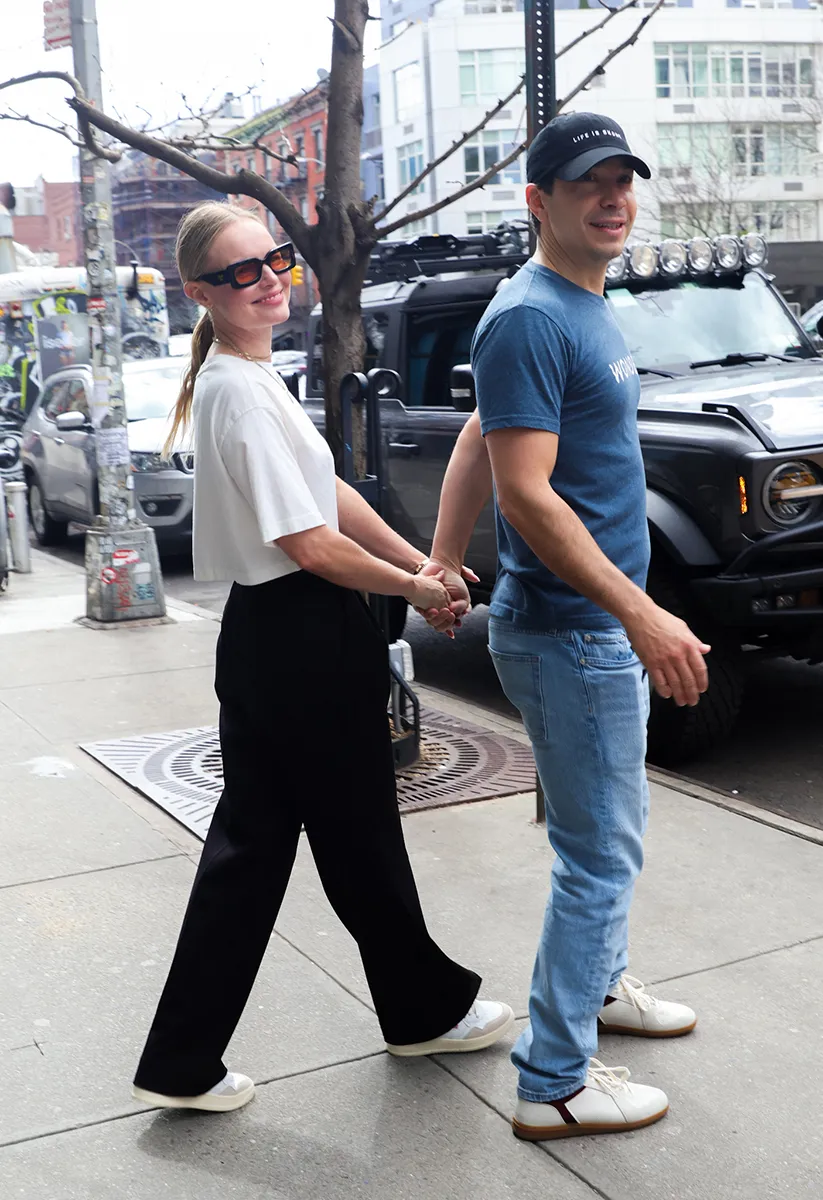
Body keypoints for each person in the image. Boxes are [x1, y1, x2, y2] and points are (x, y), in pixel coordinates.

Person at [131, 201, 513, 1114]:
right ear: (200, 293)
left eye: (275, 261)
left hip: (280, 641)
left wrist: (415, 561)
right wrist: (416, 588)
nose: (267, 279)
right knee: (350, 837)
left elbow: (330, 492)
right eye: (240, 273)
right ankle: (416, 1006)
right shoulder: (233, 385)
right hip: (299, 634)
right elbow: (306, 541)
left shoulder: (253, 375)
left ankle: (188, 1055)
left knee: (266, 848)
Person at [421, 113, 708, 1140]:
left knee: (600, 840)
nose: (612, 198)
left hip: (584, 628)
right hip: (575, 629)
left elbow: (476, 435)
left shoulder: (577, 303)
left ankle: (597, 987)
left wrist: (442, 557)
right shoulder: (531, 316)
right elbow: (531, 494)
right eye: (589, 183)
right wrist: (643, 615)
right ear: (537, 201)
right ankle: (552, 1081)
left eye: (623, 180)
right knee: (600, 854)